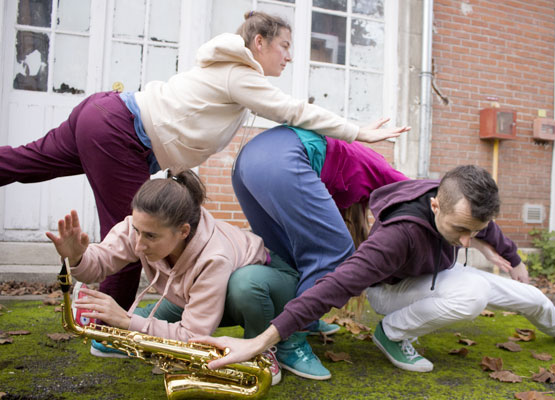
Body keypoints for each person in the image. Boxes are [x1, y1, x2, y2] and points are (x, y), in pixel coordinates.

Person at [0, 10, 409, 313]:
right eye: (284, 47)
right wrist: (359, 131)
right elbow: (293, 111)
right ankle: (106, 327)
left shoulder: (229, 71)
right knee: (136, 236)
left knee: (22, 163)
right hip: (120, 131)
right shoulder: (240, 72)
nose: (288, 58)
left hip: (104, 113)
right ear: (260, 43)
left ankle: (106, 320)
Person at [197, 165, 555, 375]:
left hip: (432, 279)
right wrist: (263, 340)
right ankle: (391, 334)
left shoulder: (464, 208)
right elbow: (335, 285)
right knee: (474, 292)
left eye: (473, 231)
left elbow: (487, 230)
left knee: (527, 295)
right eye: (460, 230)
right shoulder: (398, 237)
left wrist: (513, 259)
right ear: (436, 205)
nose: (466, 242)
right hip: (393, 292)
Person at [46, 169, 297, 385]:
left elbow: (193, 335)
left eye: (151, 237)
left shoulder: (213, 256)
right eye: (137, 231)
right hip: (197, 295)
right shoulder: (143, 226)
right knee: (116, 333)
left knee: (245, 285)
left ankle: (261, 350)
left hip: (272, 280)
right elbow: (98, 263)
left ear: (183, 231)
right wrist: (77, 256)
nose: (139, 245)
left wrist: (126, 320)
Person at [229, 124, 409, 380]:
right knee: (336, 251)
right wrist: (484, 234)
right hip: (282, 158)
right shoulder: (380, 170)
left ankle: (306, 320)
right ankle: (291, 343)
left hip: (245, 163)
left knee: (290, 252)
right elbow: (428, 195)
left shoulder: (334, 178)